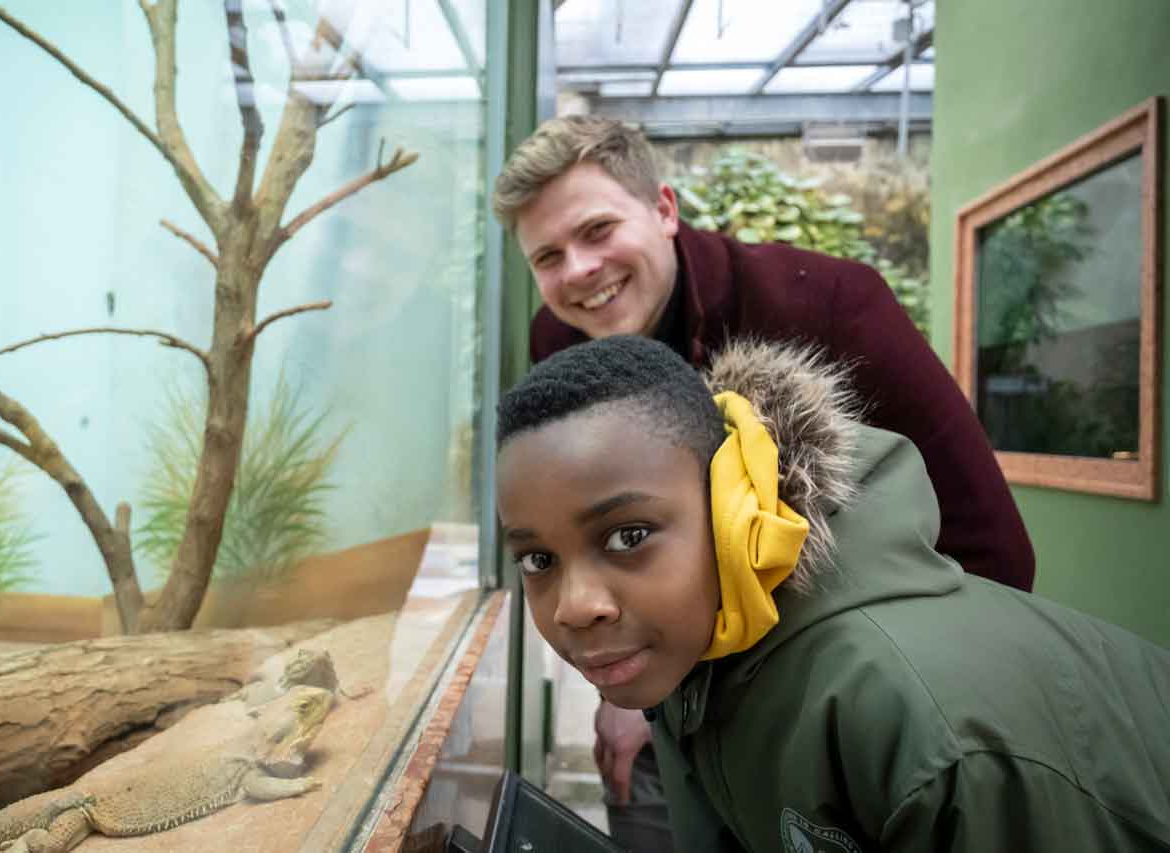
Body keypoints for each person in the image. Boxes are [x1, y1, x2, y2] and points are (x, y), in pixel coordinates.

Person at [490, 114, 1036, 844]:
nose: (579, 272)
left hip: (847, 700)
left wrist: (924, 734)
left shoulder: (828, 304)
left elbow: (992, 546)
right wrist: (627, 681)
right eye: (548, 256)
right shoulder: (558, 341)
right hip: (678, 685)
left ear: (664, 209)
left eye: (596, 231)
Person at [495, 334, 1170, 853]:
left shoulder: (931, 734)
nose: (573, 605)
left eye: (628, 534)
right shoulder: (690, 661)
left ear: (735, 504)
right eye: (538, 557)